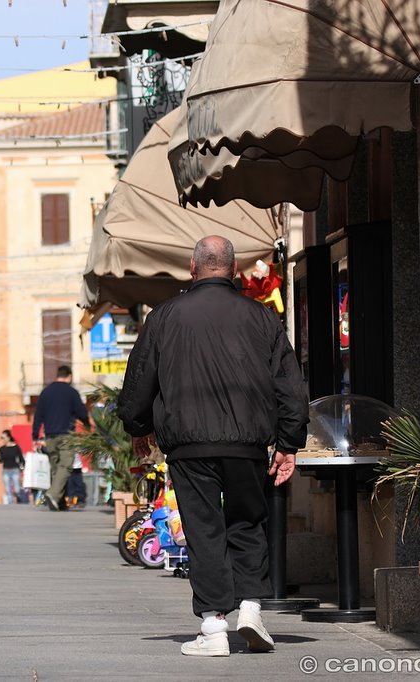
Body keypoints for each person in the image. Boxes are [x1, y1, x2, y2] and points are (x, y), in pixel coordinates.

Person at [118, 235, 308, 658]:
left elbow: (140, 379)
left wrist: (138, 425)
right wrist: (289, 442)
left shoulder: (164, 316)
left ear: (192, 266)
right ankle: (252, 608)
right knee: (247, 521)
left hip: (188, 444)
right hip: (247, 442)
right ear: (234, 269)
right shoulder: (261, 318)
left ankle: (213, 626)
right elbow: (290, 386)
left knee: (204, 529)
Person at [32, 365, 90, 511]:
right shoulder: (71, 392)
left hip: (49, 435)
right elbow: (81, 411)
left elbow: (38, 415)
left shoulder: (45, 392)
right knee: (66, 466)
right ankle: (52, 494)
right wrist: (87, 424)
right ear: (69, 376)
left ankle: (59, 502)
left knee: (55, 468)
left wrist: (35, 435)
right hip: (66, 435)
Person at [0, 430, 25, 504]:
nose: (2, 439)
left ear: (8, 438)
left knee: (17, 489)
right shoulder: (2, 448)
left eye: (3, 437)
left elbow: (21, 458)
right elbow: (1, 460)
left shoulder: (16, 447)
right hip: (5, 470)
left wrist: (22, 468)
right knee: (7, 490)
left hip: (15, 470)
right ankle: (10, 505)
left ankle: (18, 501)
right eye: (1, 438)